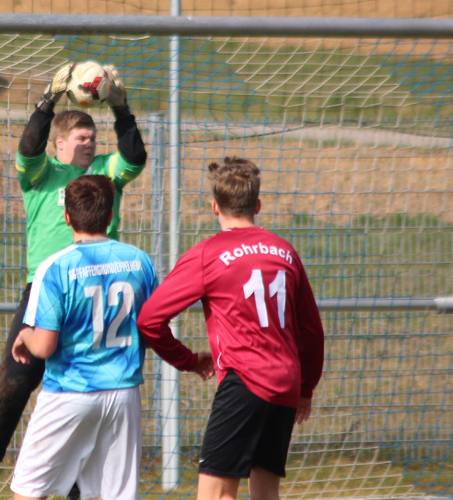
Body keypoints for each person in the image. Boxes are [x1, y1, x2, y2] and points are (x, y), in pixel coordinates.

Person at [0, 63, 148, 500]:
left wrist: (120, 107)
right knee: (15, 381)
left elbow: (134, 156)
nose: (89, 145)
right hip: (44, 290)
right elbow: (27, 146)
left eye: (92, 139)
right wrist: (47, 99)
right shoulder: (40, 174)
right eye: (81, 139)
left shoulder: (105, 173)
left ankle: (79, 487)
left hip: (93, 289)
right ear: (59, 144)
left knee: (85, 388)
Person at [136, 157, 325, 500]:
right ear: (258, 205)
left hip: (245, 382)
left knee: (216, 495)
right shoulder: (285, 252)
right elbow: (312, 332)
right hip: (286, 382)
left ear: (214, 207)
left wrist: (190, 361)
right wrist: (306, 388)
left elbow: (149, 320)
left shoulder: (208, 254)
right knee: (265, 492)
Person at [7, 175, 205, 500]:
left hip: (70, 392)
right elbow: (155, 326)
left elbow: (44, 346)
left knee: (29, 492)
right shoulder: (139, 261)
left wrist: (24, 335)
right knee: (116, 495)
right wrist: (190, 360)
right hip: (123, 393)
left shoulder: (54, 267)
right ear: (111, 216)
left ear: (66, 216)